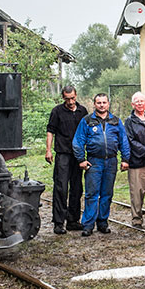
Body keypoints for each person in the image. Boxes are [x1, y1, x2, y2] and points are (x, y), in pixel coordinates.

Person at [71, 93, 130, 237]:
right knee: (92, 194)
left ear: (108, 104)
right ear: (94, 104)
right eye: (99, 102)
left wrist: (125, 159)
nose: (102, 105)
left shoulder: (116, 121)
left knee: (107, 194)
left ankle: (102, 222)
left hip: (111, 161)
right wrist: (81, 160)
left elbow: (124, 141)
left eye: (104, 102)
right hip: (94, 161)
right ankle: (88, 225)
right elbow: (78, 141)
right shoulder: (87, 121)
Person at [45, 85, 88, 234]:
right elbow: (50, 131)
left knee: (77, 188)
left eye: (73, 98)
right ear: (63, 98)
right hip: (63, 153)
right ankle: (58, 222)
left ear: (76, 96)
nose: (70, 101)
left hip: (78, 155)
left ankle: (73, 220)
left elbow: (87, 131)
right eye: (67, 99)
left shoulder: (83, 111)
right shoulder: (57, 111)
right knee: (61, 188)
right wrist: (48, 150)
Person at [125, 92, 145, 228]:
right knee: (137, 193)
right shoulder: (129, 121)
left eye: (142, 101)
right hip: (137, 163)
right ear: (132, 104)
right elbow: (130, 141)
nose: (139, 104)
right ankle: (137, 219)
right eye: (136, 101)